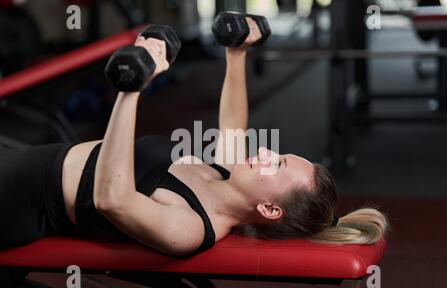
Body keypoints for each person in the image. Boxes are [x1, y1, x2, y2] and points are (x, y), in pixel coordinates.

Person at [0, 18, 388, 256]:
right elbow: (233, 125)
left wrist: (132, 88)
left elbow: (112, 199)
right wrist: (236, 53)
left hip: (14, 202)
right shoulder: (220, 174)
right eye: (279, 153)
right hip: (22, 163)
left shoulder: (191, 229)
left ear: (270, 210)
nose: (267, 152)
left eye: (277, 164)